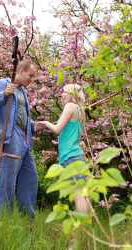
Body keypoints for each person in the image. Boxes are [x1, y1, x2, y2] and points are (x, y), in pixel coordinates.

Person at [0, 59, 44, 218]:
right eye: (30, 76)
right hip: (10, 138)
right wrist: (3, 94)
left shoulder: (23, 92)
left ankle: (28, 221)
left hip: (25, 140)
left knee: (30, 181)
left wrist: (33, 125)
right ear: (21, 71)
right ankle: (4, 222)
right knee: (7, 183)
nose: (31, 80)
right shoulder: (2, 84)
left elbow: (19, 118)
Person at [37, 83, 87, 213]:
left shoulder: (70, 106)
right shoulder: (79, 109)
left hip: (71, 156)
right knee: (79, 193)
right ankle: (88, 227)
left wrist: (46, 122)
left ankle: (84, 227)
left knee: (77, 195)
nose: (62, 95)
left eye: (64, 92)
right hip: (74, 156)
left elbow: (58, 129)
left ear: (71, 93)